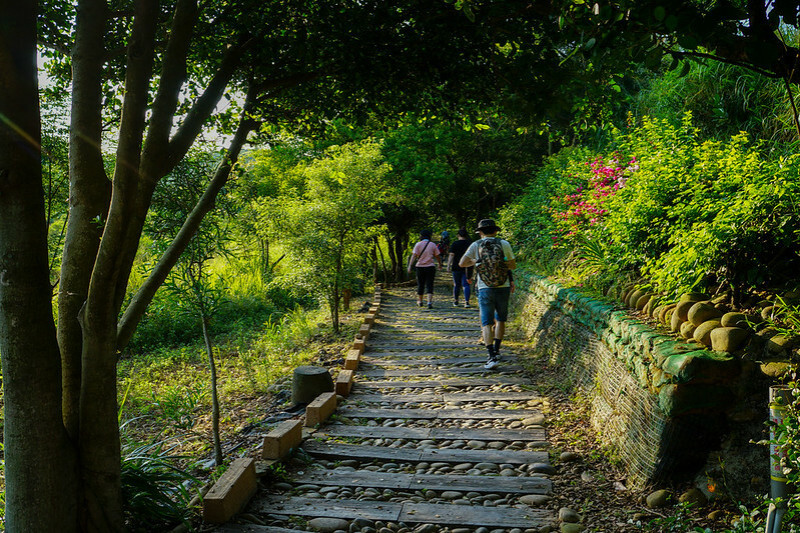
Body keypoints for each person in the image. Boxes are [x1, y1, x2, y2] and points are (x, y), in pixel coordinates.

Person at [459, 219, 516, 370]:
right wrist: (501, 263)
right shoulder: (504, 244)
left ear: (481, 232)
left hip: (484, 287)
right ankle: (497, 350)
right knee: (501, 319)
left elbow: (462, 263)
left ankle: (490, 355)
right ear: (495, 231)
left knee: (486, 321)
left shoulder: (476, 245)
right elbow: (513, 264)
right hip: (502, 285)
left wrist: (477, 262)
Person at [407, 229, 442, 309]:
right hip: (430, 267)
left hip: (420, 267)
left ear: (421, 236)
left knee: (420, 284)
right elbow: (437, 256)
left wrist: (410, 266)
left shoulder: (418, 244)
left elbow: (414, 256)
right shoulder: (433, 245)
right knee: (430, 284)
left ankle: (420, 301)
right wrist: (440, 264)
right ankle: (429, 302)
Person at [447, 228, 473, 307]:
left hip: (456, 266)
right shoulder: (470, 244)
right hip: (468, 266)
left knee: (457, 284)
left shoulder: (455, 243)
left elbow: (451, 255)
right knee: (466, 284)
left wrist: (448, 265)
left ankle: (456, 301)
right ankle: (467, 302)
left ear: (458, 235)